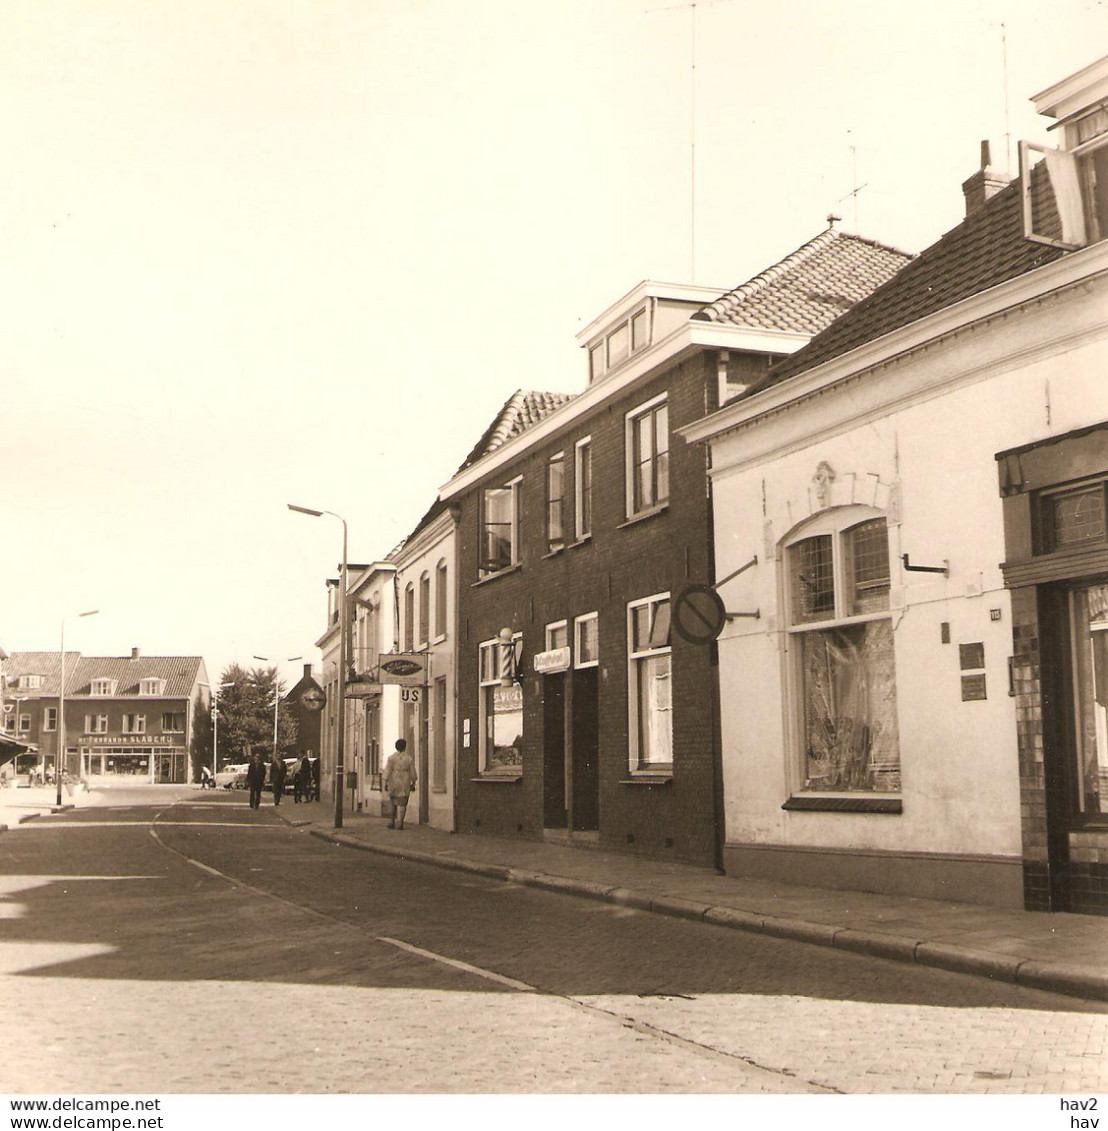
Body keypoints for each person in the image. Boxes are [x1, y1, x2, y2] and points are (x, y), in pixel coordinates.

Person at [382, 738, 417, 831]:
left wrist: (385, 782)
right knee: (403, 803)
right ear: (405, 747)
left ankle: (392, 821)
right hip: (404, 780)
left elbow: (387, 770)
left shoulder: (391, 758)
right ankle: (400, 822)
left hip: (393, 780)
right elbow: (413, 772)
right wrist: (413, 781)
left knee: (393, 802)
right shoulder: (409, 759)